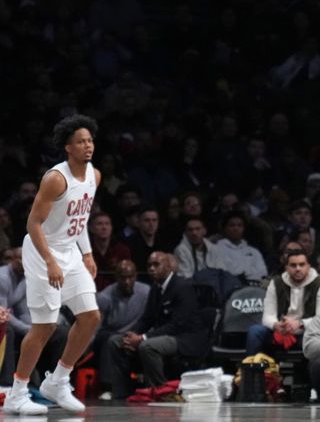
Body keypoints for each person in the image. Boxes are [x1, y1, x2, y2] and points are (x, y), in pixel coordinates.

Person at [4, 115, 103, 415]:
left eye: (89, 140)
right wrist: (49, 262)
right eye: (80, 142)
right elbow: (33, 223)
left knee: (90, 317)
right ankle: (17, 393)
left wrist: (87, 254)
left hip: (70, 252)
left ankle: (58, 380)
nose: (87, 146)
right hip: (41, 251)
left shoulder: (94, 176)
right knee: (45, 326)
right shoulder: (55, 179)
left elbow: (80, 219)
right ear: (67, 148)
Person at [107, 251, 207, 399]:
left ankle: (161, 392)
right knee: (115, 341)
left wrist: (141, 338)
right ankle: (122, 392)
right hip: (164, 335)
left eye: (156, 265)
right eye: (149, 265)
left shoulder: (182, 287)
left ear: (168, 267)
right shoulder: (155, 288)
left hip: (184, 338)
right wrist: (131, 336)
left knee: (147, 346)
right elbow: (146, 319)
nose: (151, 269)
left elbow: (177, 325)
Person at [245, 250, 320, 356]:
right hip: (281, 330)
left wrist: (299, 324)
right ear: (287, 268)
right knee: (255, 331)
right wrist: (276, 325)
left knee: (316, 340)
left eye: (301, 265)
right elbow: (267, 317)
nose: (298, 268)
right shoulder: (276, 283)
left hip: (306, 332)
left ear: (308, 266)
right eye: (293, 265)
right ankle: (252, 370)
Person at [95, 259, 150, 399]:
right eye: (123, 277)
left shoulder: (146, 292)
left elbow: (151, 319)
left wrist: (139, 336)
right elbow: (97, 325)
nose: (127, 281)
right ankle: (108, 387)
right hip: (114, 333)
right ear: (116, 277)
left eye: (130, 277)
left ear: (135, 276)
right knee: (107, 338)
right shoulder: (106, 296)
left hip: (138, 333)